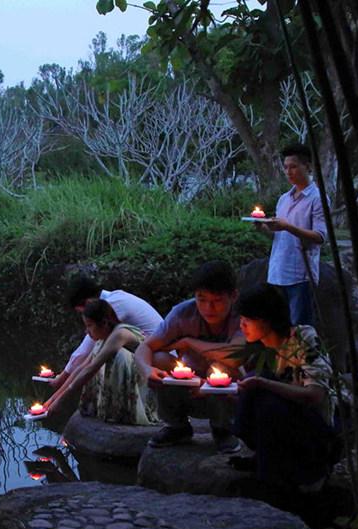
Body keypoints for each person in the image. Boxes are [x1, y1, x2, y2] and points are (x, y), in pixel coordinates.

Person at [233, 284, 340, 491]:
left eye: (247, 320)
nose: (242, 326)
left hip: (317, 427)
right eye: (241, 320)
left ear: (267, 318)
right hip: (285, 423)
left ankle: (308, 471)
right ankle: (268, 461)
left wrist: (262, 384)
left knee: (263, 393)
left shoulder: (303, 338)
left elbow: (315, 395)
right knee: (257, 389)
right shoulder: (260, 349)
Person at [134, 261, 245, 452]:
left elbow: (235, 356)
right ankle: (177, 426)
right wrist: (146, 370)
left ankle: (222, 428)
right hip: (189, 383)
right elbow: (145, 348)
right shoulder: (183, 313)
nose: (209, 308)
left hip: (229, 392)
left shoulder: (242, 317)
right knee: (159, 359)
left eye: (217, 301)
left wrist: (189, 342)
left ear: (233, 296)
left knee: (222, 368)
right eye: (202, 300)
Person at [44, 299, 157, 426]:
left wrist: (62, 401)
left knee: (118, 357)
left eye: (89, 326)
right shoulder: (103, 339)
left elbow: (92, 368)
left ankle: (123, 411)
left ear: (104, 323)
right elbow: (83, 366)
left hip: (148, 380)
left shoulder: (119, 334)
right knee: (95, 358)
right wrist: (53, 399)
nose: (87, 332)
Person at [255, 143, 328, 326]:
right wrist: (262, 228)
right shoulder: (284, 199)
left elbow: (320, 237)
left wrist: (288, 226)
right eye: (286, 167)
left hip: (300, 275)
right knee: (279, 329)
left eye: (294, 166)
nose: (289, 172)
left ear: (308, 166)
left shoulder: (317, 198)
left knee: (300, 332)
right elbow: (280, 238)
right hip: (277, 272)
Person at [50, 276, 162, 390]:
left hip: (158, 357)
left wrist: (62, 378)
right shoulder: (114, 298)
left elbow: (85, 352)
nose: (87, 329)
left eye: (88, 324)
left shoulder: (110, 306)